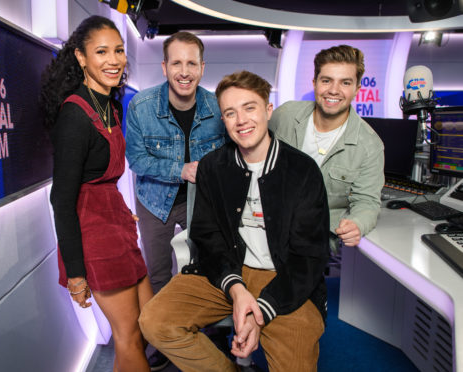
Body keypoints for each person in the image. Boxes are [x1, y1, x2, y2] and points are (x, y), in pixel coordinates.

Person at [138, 70, 330, 372]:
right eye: (230, 112)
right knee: (154, 321)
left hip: (285, 278)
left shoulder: (302, 171)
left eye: (249, 107)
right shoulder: (214, 166)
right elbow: (206, 236)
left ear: (268, 110)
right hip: (226, 270)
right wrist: (236, 288)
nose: (241, 120)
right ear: (223, 121)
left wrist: (260, 312)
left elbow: (309, 257)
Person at [40, 15, 152, 372]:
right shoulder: (74, 114)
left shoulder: (111, 104)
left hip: (116, 224)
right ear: (81, 57)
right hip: (94, 236)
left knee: (147, 326)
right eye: (101, 51)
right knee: (129, 336)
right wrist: (76, 274)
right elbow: (62, 199)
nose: (114, 60)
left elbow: (102, 177)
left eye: (118, 51)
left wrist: (120, 210)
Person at [125, 30, 226, 371]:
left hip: (205, 202)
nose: (184, 71)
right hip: (155, 201)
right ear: (165, 66)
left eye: (192, 63)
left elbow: (230, 155)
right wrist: (180, 169)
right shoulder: (141, 106)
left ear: (202, 67)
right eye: (177, 63)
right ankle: (161, 339)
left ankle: (209, 332)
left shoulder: (217, 106)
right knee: (158, 273)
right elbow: (137, 161)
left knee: (209, 268)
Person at [269, 45, 384, 249]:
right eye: (326, 80)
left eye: (345, 82)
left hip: (315, 242)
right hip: (267, 229)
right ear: (314, 83)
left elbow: (367, 202)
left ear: (357, 89)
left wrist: (357, 224)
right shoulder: (285, 115)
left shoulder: (369, 145)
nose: (333, 90)